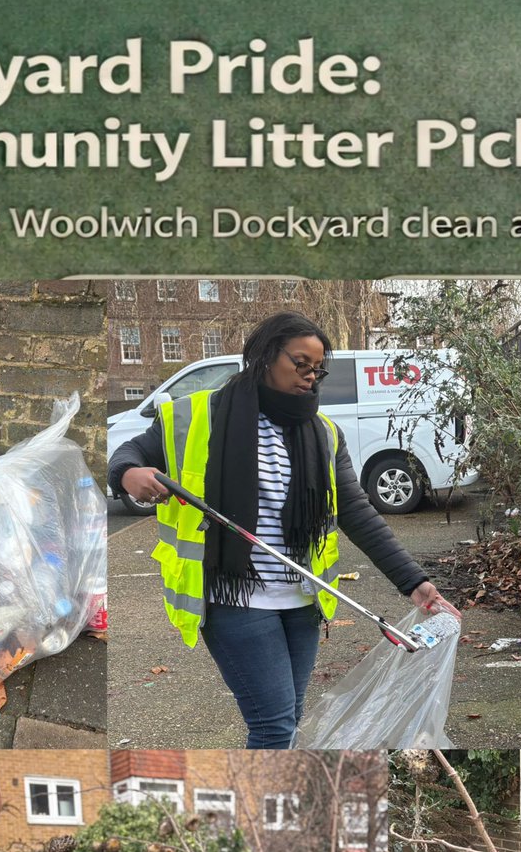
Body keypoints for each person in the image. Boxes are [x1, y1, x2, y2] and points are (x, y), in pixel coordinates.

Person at [108, 310, 460, 749]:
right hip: (234, 598)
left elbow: (356, 510)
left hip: (301, 600)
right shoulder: (193, 415)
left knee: (288, 721)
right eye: (300, 363)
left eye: (317, 368)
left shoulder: (324, 433)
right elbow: (127, 453)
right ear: (263, 356)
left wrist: (415, 582)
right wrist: (128, 475)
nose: (310, 376)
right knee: (273, 728)